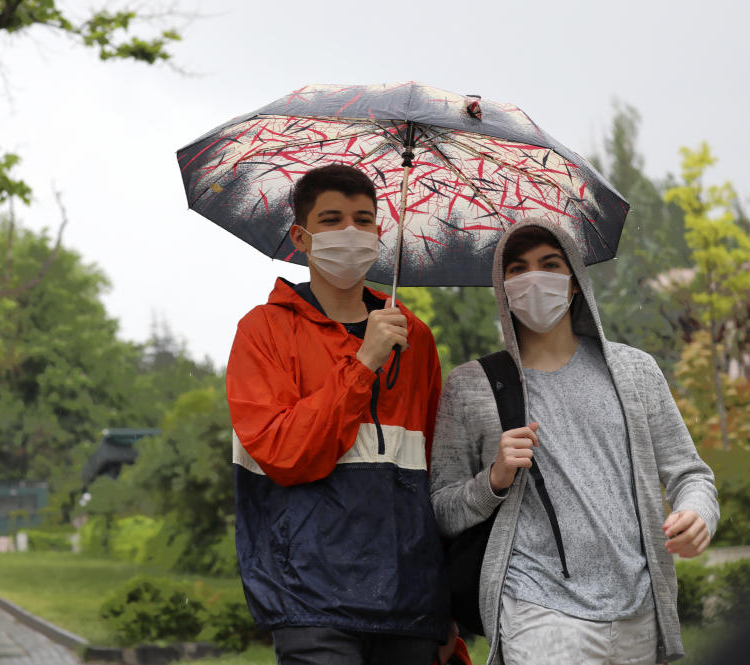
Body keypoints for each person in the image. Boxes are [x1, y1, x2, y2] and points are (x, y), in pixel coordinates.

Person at [430, 219, 719, 665]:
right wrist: (493, 479)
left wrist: (698, 512)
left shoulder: (635, 371)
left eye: (550, 264)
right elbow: (442, 510)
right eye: (518, 269)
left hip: (638, 609)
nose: (535, 278)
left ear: (574, 283)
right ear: (502, 287)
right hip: (534, 607)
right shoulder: (472, 385)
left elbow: (690, 474)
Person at [227, 164, 462, 665]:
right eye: (331, 219)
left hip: (410, 599)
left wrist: (447, 602)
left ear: (380, 234)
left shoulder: (413, 338)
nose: (350, 232)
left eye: (364, 219)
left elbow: (437, 475)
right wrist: (363, 363)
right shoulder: (262, 331)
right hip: (308, 597)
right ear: (301, 237)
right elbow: (286, 455)